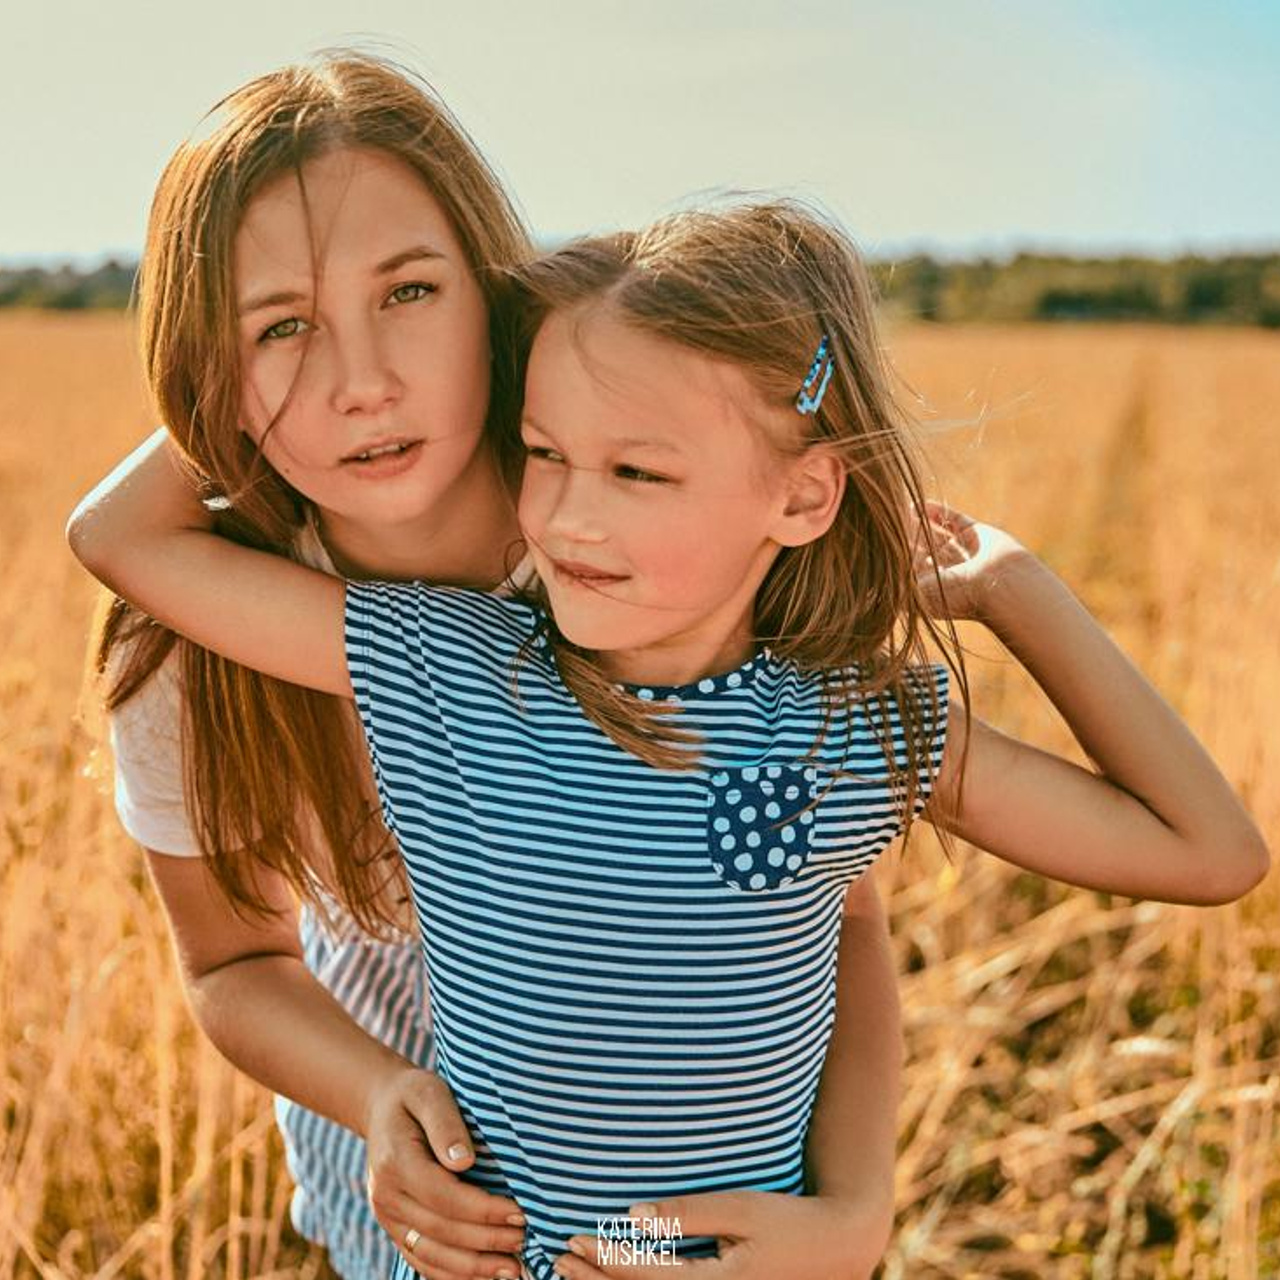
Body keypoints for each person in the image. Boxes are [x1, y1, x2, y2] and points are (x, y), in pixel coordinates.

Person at [70, 199, 1269, 1280]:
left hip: (671, 1250)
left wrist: (1013, 589)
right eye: (543, 453)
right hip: (477, 1246)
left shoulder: (851, 727)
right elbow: (122, 540)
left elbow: (1206, 852)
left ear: (801, 497)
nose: (568, 514)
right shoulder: (449, 666)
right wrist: (295, 375)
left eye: (637, 469)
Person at [84, 53, 904, 1280]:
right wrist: (373, 1092)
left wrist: (855, 1214)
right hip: (413, 1184)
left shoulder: (645, 561)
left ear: (492, 291)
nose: (361, 384)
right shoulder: (191, 649)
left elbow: (838, 921)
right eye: (283, 325)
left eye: (408, 290)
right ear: (210, 367)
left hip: (681, 1180)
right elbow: (233, 960)